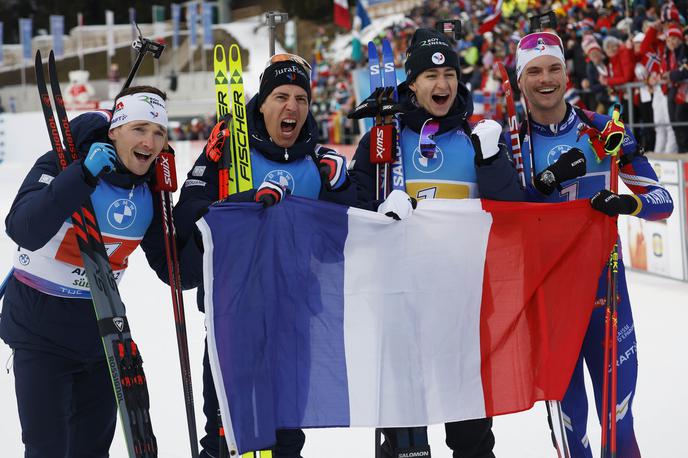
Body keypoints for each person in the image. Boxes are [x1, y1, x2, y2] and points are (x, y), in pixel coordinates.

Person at [483, 30, 674, 457]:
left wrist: (627, 202)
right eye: (534, 71)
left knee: (618, 426)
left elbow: (662, 202)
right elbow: (494, 221)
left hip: (607, 298)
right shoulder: (510, 142)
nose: (545, 79)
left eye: (554, 68)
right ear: (519, 80)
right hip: (548, 306)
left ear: (567, 74)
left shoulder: (601, 129)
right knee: (572, 438)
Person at [173, 53, 355, 458]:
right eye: (281, 97)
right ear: (262, 102)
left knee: (286, 440)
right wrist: (242, 200)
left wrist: (342, 189)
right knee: (226, 437)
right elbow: (185, 219)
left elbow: (338, 247)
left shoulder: (315, 164)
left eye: (301, 99)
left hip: (294, 323)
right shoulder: (229, 157)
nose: (292, 107)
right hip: (233, 321)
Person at [348, 27, 516, 458]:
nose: (442, 85)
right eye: (429, 76)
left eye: (450, 75)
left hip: (464, 312)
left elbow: (512, 220)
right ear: (411, 83)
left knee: (472, 442)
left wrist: (494, 162)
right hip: (401, 310)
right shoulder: (383, 141)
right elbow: (351, 210)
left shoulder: (475, 140)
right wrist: (379, 210)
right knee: (407, 446)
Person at [0, 85, 173, 457]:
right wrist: (81, 175)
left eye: (159, 132)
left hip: (102, 334)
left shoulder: (150, 190)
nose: (150, 141)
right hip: (39, 327)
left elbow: (178, 273)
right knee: (48, 449)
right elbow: (24, 229)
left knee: (92, 449)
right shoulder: (61, 163)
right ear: (114, 130)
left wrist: (212, 204)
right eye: (139, 128)